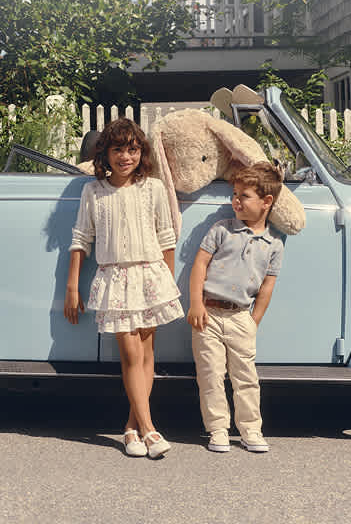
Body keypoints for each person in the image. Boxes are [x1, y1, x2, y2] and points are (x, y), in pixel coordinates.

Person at [64, 118, 183, 459]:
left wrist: (167, 283)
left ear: (140, 153)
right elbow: (80, 239)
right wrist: (73, 287)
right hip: (115, 278)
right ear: (106, 153)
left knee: (146, 355)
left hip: (151, 277)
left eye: (132, 149)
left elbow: (166, 237)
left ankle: (131, 428)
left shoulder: (153, 188)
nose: (125, 157)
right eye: (118, 149)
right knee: (130, 355)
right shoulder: (94, 191)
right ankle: (149, 429)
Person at [187, 161, 284, 454]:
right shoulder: (221, 229)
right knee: (210, 374)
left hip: (242, 316)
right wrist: (195, 303)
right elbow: (199, 265)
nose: (236, 201)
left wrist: (254, 321)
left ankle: (251, 429)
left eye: (244, 195)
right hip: (209, 314)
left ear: (266, 202)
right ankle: (217, 429)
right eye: (235, 194)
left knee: (246, 377)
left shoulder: (274, 244)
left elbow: (267, 287)